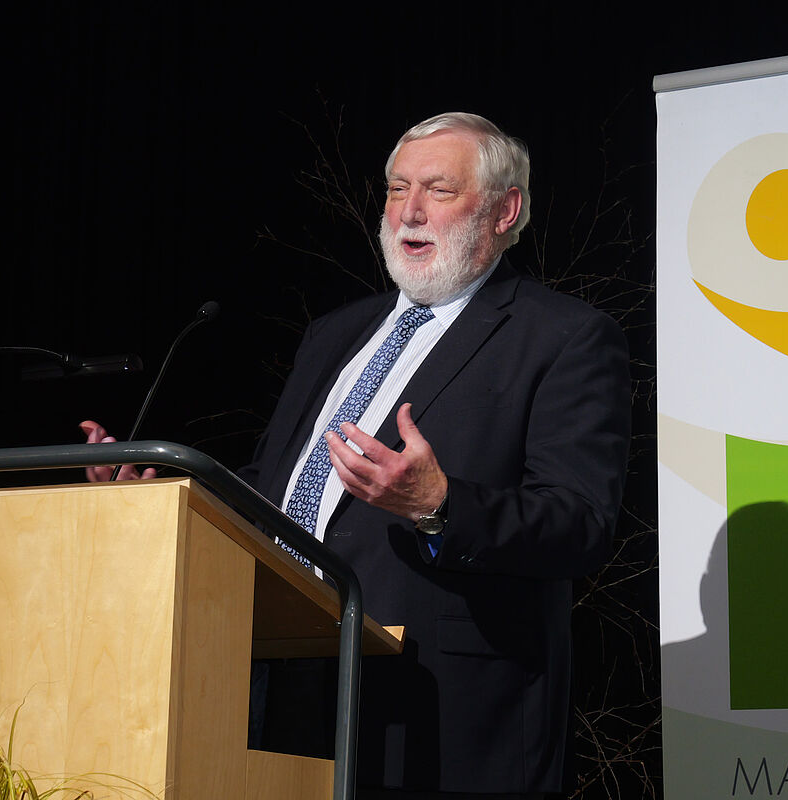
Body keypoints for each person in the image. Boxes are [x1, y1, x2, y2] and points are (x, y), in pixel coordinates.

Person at [85, 112, 630, 799]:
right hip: (289, 684)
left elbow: (579, 524)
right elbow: (277, 493)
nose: (409, 211)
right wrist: (166, 495)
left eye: (438, 190)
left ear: (504, 210)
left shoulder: (564, 338)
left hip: (440, 711)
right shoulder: (334, 334)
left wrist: (440, 505)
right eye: (397, 189)